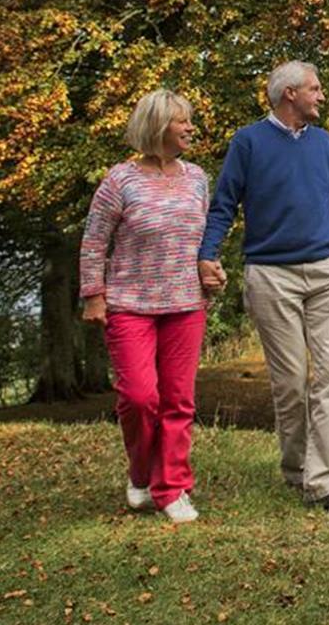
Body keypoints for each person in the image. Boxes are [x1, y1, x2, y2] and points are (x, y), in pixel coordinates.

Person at [198, 60, 329, 515]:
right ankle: (296, 470)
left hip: (328, 273)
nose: (321, 96)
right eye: (315, 88)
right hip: (272, 275)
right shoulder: (248, 142)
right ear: (289, 93)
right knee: (290, 383)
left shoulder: (326, 144)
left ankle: (325, 483)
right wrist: (207, 254)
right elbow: (223, 204)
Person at [79, 89, 209, 524]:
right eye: (182, 121)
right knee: (138, 398)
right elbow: (95, 240)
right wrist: (93, 295)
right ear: (157, 126)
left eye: (190, 120)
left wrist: (213, 271)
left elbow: (201, 241)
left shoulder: (197, 178)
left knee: (178, 400)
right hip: (130, 303)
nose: (191, 127)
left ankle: (172, 488)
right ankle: (140, 472)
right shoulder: (121, 180)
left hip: (186, 302)